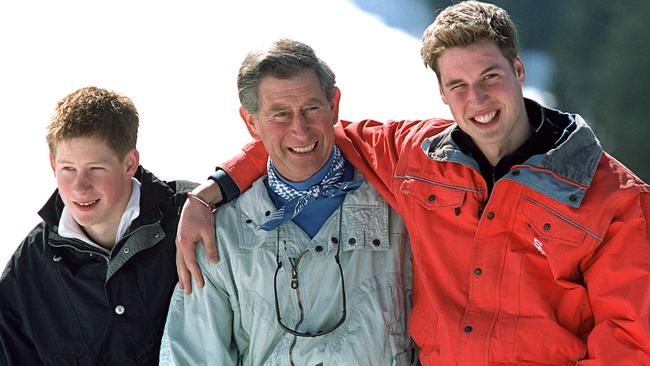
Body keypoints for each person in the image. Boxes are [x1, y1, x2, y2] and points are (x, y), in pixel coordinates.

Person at [177, 2, 650, 365]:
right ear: (441, 93)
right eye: (458, 85)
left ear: (519, 70)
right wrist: (213, 190)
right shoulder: (413, 156)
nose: (478, 99)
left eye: (491, 76)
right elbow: (306, 135)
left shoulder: (615, 198)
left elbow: (631, 340)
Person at [159, 39, 415, 365]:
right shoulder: (218, 235)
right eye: (280, 114)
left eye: (311, 108)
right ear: (251, 122)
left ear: (333, 104)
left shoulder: (402, 211)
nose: (300, 130)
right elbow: (191, 356)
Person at [0, 87, 195, 365]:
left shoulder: (189, 217)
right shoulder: (30, 268)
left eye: (95, 169)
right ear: (53, 164)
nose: (79, 186)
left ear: (129, 164)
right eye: (68, 169)